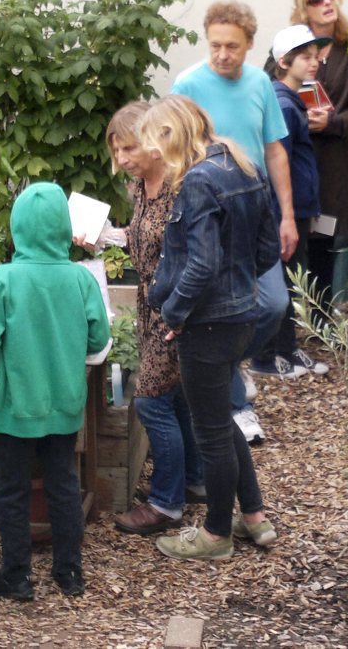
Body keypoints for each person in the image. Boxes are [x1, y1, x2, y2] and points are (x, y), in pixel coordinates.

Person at [138, 95, 279, 561]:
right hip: (241, 315)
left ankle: (216, 534)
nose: (152, 153)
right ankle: (254, 517)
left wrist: (175, 314)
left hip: (208, 325)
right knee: (221, 419)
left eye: (153, 141)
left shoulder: (197, 180)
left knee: (211, 431)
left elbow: (200, 265)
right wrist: (234, 290)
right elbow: (266, 250)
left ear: (170, 133)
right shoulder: (240, 164)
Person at [0, 182, 110, 601]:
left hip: (13, 404)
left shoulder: (2, 280)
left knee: (10, 489)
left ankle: (16, 575)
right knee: (63, 483)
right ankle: (69, 573)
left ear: (17, 227)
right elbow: (98, 338)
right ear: (64, 228)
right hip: (63, 402)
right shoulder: (81, 279)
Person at [171, 0, 298, 444]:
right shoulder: (187, 84)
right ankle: (237, 405)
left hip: (255, 212)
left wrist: (287, 216)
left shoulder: (261, 83)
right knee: (217, 311)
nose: (222, 55)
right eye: (215, 46)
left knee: (272, 304)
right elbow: (175, 154)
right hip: (208, 211)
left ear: (249, 45)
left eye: (232, 47)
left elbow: (275, 151)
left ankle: (231, 366)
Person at [101, 102, 204, 535]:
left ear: (154, 143)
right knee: (177, 398)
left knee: (150, 402)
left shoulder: (183, 186)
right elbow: (143, 238)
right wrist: (110, 236)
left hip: (177, 312)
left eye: (128, 148)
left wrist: (177, 309)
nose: (121, 159)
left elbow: (192, 254)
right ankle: (193, 481)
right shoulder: (140, 187)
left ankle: (166, 503)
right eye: (116, 150)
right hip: (149, 307)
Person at [282, 0, 348, 307]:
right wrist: (297, 115)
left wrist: (332, 121)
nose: (326, 3)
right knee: (290, 244)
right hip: (293, 161)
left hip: (333, 163)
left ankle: (319, 322)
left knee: (324, 244)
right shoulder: (288, 47)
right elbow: (269, 94)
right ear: (302, 10)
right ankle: (287, 327)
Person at [250, 25, 331, 377]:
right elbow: (276, 159)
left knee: (295, 279)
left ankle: (288, 348)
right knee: (283, 282)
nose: (314, 63)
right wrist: (284, 213)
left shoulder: (290, 101)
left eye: (316, 56)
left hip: (297, 209)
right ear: (284, 61)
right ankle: (267, 357)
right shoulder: (282, 104)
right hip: (287, 211)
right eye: (305, 57)